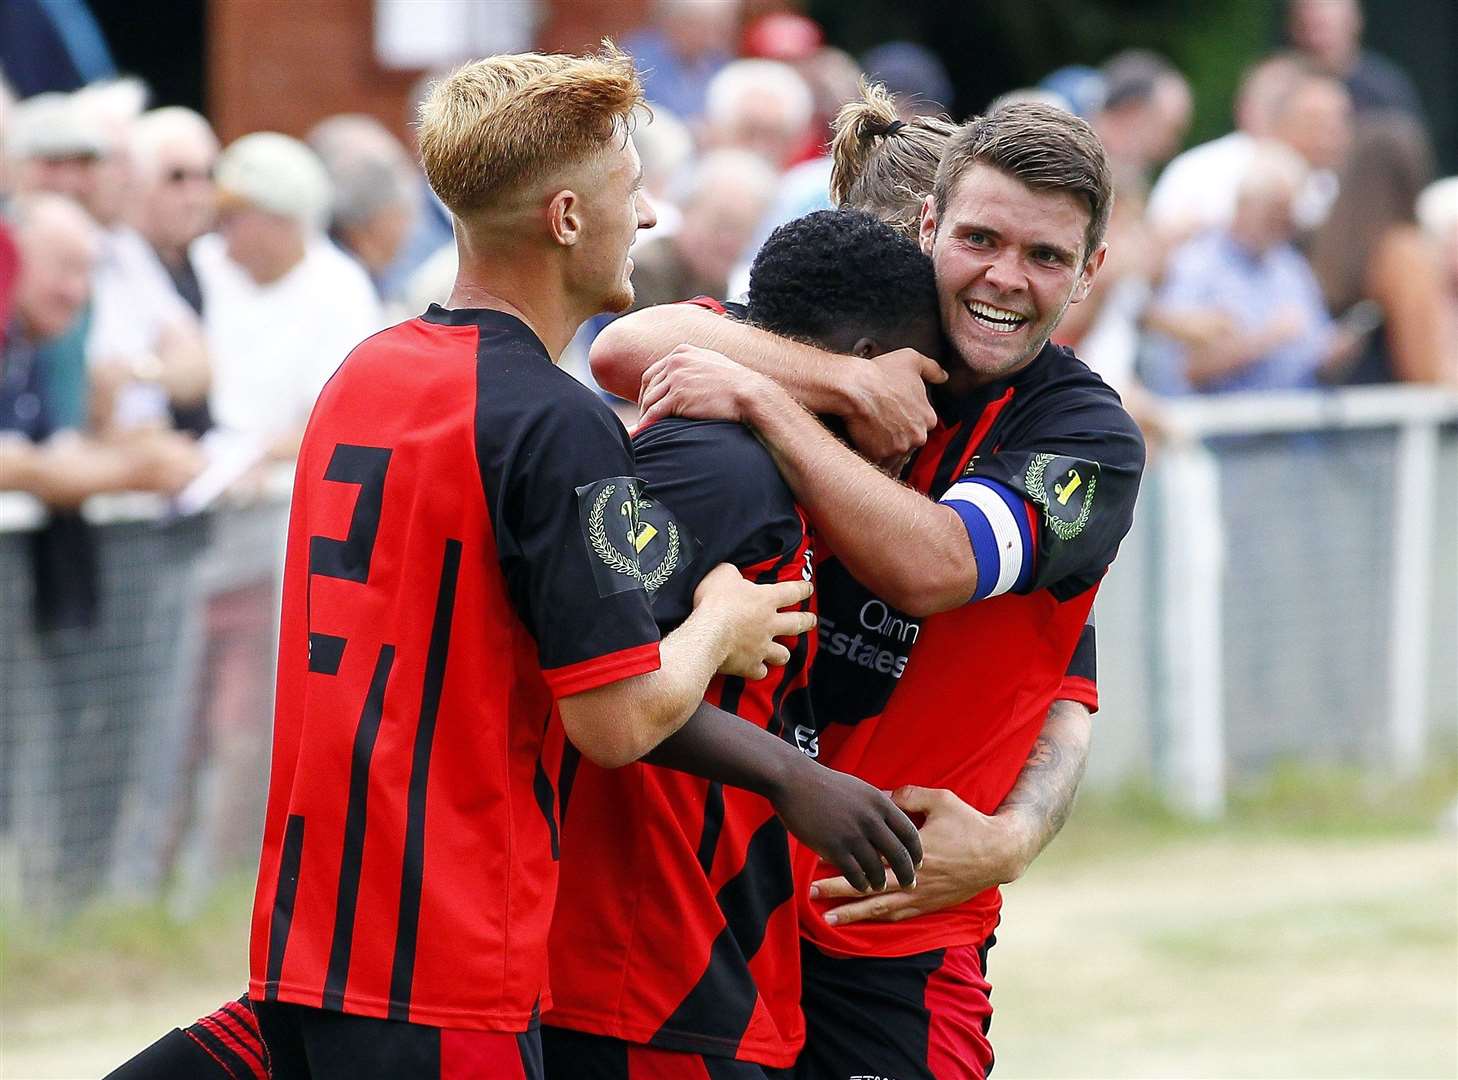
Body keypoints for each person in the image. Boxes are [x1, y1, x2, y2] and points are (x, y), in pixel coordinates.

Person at [243, 46, 913, 1080]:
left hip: (307, 942)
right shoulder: (556, 425)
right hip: (448, 967)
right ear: (566, 219)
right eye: (632, 193)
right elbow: (616, 721)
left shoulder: (364, 374)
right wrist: (719, 628)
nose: (648, 221)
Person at [601, 102, 1145, 1077]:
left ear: (1089, 270)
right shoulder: (861, 350)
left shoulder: (1083, 436)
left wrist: (1014, 837)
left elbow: (970, 597)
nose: (1006, 278)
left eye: (1046, 255)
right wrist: (841, 386)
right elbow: (630, 344)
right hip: (726, 905)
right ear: (931, 230)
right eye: (980, 239)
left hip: (893, 929)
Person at [543, 209, 939, 1079]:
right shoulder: (723, 467)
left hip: (707, 971)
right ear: (865, 364)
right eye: (924, 386)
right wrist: (796, 778)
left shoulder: (773, 463)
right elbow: (588, 681)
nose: (927, 423)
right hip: (641, 979)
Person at [193, 132, 381, 459]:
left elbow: (341, 417)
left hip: (290, 480)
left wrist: (256, 456)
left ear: (282, 221)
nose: (221, 226)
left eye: (234, 216)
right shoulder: (202, 263)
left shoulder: (341, 288)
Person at [1144, 143, 1355, 395]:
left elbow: (1316, 345)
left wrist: (1336, 350)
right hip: (1221, 428)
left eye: (1287, 215)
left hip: (1295, 425)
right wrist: (1262, 341)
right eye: (1274, 213)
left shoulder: (1290, 266)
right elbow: (1181, 370)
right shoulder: (1196, 264)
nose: (1282, 225)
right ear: (1244, 205)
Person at [1146, 55, 1350, 241]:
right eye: (1316, 122)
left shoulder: (1332, 185)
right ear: (1283, 119)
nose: (1330, 136)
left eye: (1339, 121)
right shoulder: (1202, 170)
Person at [1307, 113, 1444, 384]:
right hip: (1393, 415)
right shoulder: (1403, 250)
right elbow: (1424, 368)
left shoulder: (1326, 242)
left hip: (1339, 411)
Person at [627, 149, 778, 311]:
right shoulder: (645, 271)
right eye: (723, 225)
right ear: (688, 210)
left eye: (744, 232)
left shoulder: (713, 280)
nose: (729, 242)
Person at [1286, 0, 1423, 117]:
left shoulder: (1384, 88)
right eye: (1307, 27)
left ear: (1353, 23)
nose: (1315, 39)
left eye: (1322, 27)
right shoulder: (1283, 82)